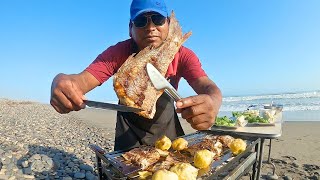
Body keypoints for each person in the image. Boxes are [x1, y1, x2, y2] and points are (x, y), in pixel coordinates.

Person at [50, 0, 222, 151]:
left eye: (158, 19)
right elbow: (79, 82)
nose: (151, 27)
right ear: (130, 28)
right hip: (129, 133)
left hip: (167, 129)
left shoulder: (182, 54)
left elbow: (208, 87)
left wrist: (212, 102)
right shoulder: (119, 52)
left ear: (168, 24)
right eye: (141, 21)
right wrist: (61, 82)